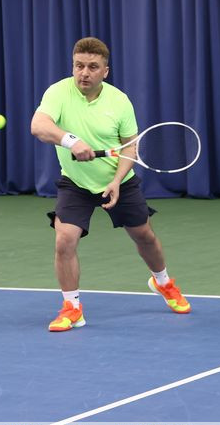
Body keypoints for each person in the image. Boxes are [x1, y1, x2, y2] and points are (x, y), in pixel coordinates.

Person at [30, 37, 191, 332]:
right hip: (76, 182)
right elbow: (38, 126)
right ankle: (72, 308)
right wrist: (71, 140)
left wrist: (117, 181)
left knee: (144, 236)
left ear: (105, 71)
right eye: (79, 66)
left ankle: (163, 282)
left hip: (119, 181)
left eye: (92, 67)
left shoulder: (119, 101)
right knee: (64, 239)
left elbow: (129, 147)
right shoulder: (58, 92)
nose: (84, 73)